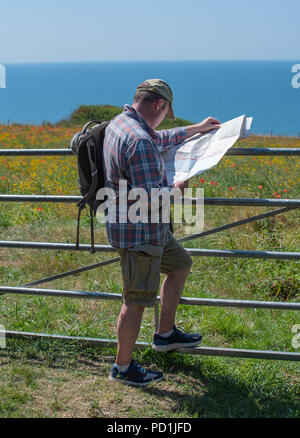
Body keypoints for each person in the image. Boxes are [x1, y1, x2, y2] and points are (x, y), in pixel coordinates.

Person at [103, 79, 220, 386]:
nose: (164, 120)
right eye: (165, 112)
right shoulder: (140, 140)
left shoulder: (122, 123)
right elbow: (150, 197)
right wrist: (177, 190)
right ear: (158, 104)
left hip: (145, 229)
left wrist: (196, 129)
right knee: (137, 299)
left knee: (180, 264)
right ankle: (123, 367)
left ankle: (165, 334)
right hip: (139, 233)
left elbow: (158, 137)